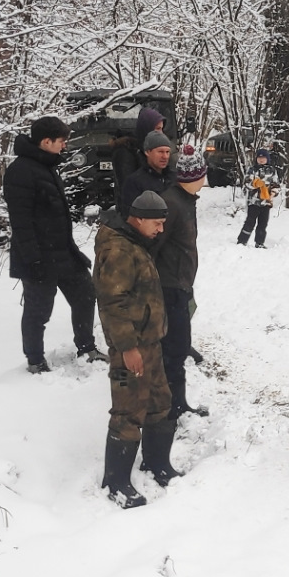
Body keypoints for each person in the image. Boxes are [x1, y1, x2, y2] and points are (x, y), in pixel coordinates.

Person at [115, 131, 211, 422]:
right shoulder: (172, 205)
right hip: (169, 288)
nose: (206, 179)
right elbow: (151, 247)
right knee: (174, 350)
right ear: (194, 177)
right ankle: (171, 408)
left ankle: (176, 403)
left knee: (177, 348)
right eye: (203, 175)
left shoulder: (185, 199)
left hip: (179, 284)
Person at [93, 190, 179, 508]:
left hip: (149, 343)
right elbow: (113, 303)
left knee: (160, 402)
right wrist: (127, 347)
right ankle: (115, 482)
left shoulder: (134, 241)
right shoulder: (118, 249)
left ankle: (156, 464)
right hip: (130, 347)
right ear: (138, 218)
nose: (160, 230)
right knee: (128, 411)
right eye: (156, 223)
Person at [2, 116, 103, 374]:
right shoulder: (21, 171)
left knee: (85, 294)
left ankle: (87, 347)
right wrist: (33, 260)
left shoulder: (47, 165)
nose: (65, 146)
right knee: (38, 313)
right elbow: (21, 221)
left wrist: (71, 249)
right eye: (61, 141)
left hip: (63, 253)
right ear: (46, 142)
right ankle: (35, 361)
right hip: (37, 257)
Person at [108, 106, 164, 201]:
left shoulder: (148, 147)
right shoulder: (125, 152)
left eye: (162, 129)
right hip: (137, 210)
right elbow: (129, 189)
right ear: (147, 129)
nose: (161, 133)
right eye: (158, 129)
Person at [237, 147, 285, 248]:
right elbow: (246, 183)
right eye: (259, 158)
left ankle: (259, 242)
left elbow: (276, 185)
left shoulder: (272, 171)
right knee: (250, 222)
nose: (261, 160)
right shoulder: (252, 170)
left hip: (266, 203)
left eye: (263, 158)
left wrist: (272, 193)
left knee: (262, 224)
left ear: (267, 159)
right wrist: (254, 183)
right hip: (253, 201)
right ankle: (242, 241)